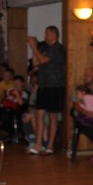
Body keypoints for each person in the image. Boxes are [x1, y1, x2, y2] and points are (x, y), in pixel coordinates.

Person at [27, 26, 65, 155]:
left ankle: (50, 146)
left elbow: (43, 60)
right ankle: (38, 145)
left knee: (52, 116)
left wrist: (34, 47)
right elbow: (36, 63)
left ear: (54, 35)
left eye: (47, 34)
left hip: (54, 85)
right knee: (39, 114)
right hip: (43, 85)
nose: (45, 36)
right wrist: (34, 48)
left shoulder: (58, 49)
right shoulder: (45, 48)